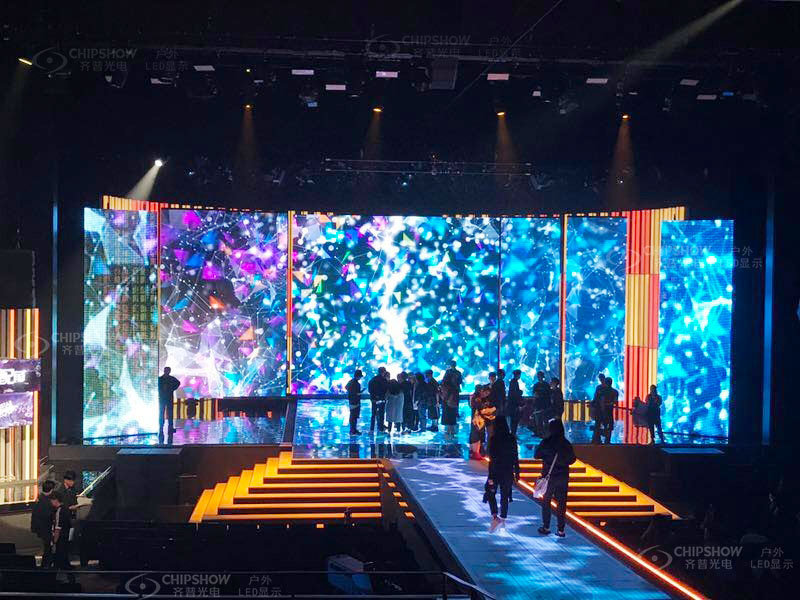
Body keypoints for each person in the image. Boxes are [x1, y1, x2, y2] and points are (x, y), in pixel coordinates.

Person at [534, 419, 576, 537]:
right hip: (563, 476)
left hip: (549, 476)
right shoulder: (566, 443)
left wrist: (547, 457)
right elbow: (572, 459)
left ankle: (546, 527)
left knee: (546, 501)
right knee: (561, 503)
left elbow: (536, 455)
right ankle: (561, 530)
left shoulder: (546, 442)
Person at [485, 417, 520, 532]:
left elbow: (492, 458)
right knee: (505, 495)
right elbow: (515, 456)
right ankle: (503, 520)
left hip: (496, 470)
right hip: (508, 470)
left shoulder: (494, 439)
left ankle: (495, 516)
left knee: (490, 491)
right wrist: (517, 471)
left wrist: (490, 475)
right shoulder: (511, 438)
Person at [49, 491, 75, 581]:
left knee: (59, 559)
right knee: (62, 559)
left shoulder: (59, 511)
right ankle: (69, 578)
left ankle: (54, 579)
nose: (51, 502)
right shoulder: (66, 509)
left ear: (55, 500)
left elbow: (57, 528)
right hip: (65, 537)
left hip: (60, 539)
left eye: (51, 500)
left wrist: (54, 542)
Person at [31, 480, 56, 568]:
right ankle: (46, 565)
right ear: (51, 490)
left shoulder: (39, 499)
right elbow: (49, 516)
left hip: (40, 528)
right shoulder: (47, 502)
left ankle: (45, 564)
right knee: (47, 548)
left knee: (46, 547)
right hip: (45, 528)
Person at [158, 366, 180, 442]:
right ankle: (161, 425)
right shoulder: (160, 379)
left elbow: (178, 383)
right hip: (163, 398)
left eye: (168, 370)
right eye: (166, 370)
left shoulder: (171, 379)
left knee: (169, 412)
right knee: (162, 412)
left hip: (168, 397)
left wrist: (172, 389)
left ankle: (169, 425)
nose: (167, 372)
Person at [468, 385, 489, 458]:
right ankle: (476, 453)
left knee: (474, 433)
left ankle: (472, 451)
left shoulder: (472, 396)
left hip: (474, 418)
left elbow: (471, 406)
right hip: (478, 419)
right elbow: (480, 408)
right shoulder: (478, 398)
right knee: (477, 434)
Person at [368, 367, 389, 432]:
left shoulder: (373, 379)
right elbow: (386, 389)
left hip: (374, 399)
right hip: (381, 399)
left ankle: (372, 429)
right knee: (381, 414)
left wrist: (373, 396)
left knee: (373, 414)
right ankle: (381, 428)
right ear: (384, 372)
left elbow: (370, 390)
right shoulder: (384, 380)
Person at [599, 377, 619, 444]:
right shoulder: (615, 391)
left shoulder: (603, 391)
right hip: (609, 411)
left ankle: (606, 440)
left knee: (606, 425)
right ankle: (607, 441)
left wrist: (603, 407)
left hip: (605, 411)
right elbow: (615, 402)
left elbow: (602, 401)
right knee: (609, 426)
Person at [440, 373, 459, 437]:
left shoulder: (445, 386)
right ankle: (451, 434)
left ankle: (448, 434)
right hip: (452, 404)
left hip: (447, 404)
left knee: (448, 420)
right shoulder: (454, 386)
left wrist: (441, 395)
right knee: (452, 419)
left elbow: (444, 396)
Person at [532, 371, 551, 435]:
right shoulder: (536, 385)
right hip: (538, 405)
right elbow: (534, 395)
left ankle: (545, 433)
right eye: (538, 376)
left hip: (545, 405)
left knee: (545, 419)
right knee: (538, 420)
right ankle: (539, 433)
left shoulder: (546, 385)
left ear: (542, 376)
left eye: (540, 376)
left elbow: (549, 395)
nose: (539, 377)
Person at [345, 369, 363, 435]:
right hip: (354, 401)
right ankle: (353, 430)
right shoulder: (355, 383)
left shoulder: (351, 382)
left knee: (353, 416)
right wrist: (356, 393)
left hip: (353, 401)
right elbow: (352, 391)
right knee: (353, 416)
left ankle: (353, 429)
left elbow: (346, 387)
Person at [590, 373, 606, 443]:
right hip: (600, 408)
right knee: (599, 423)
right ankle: (598, 438)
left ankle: (597, 438)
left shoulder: (600, 387)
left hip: (601, 408)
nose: (600, 380)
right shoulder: (599, 387)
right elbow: (595, 397)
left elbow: (595, 397)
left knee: (599, 423)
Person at [507, 370, 523, 435]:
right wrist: (520, 392)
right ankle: (513, 433)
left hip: (513, 403)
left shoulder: (513, 382)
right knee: (514, 419)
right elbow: (514, 393)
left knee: (513, 419)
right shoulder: (514, 382)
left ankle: (513, 433)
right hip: (514, 404)